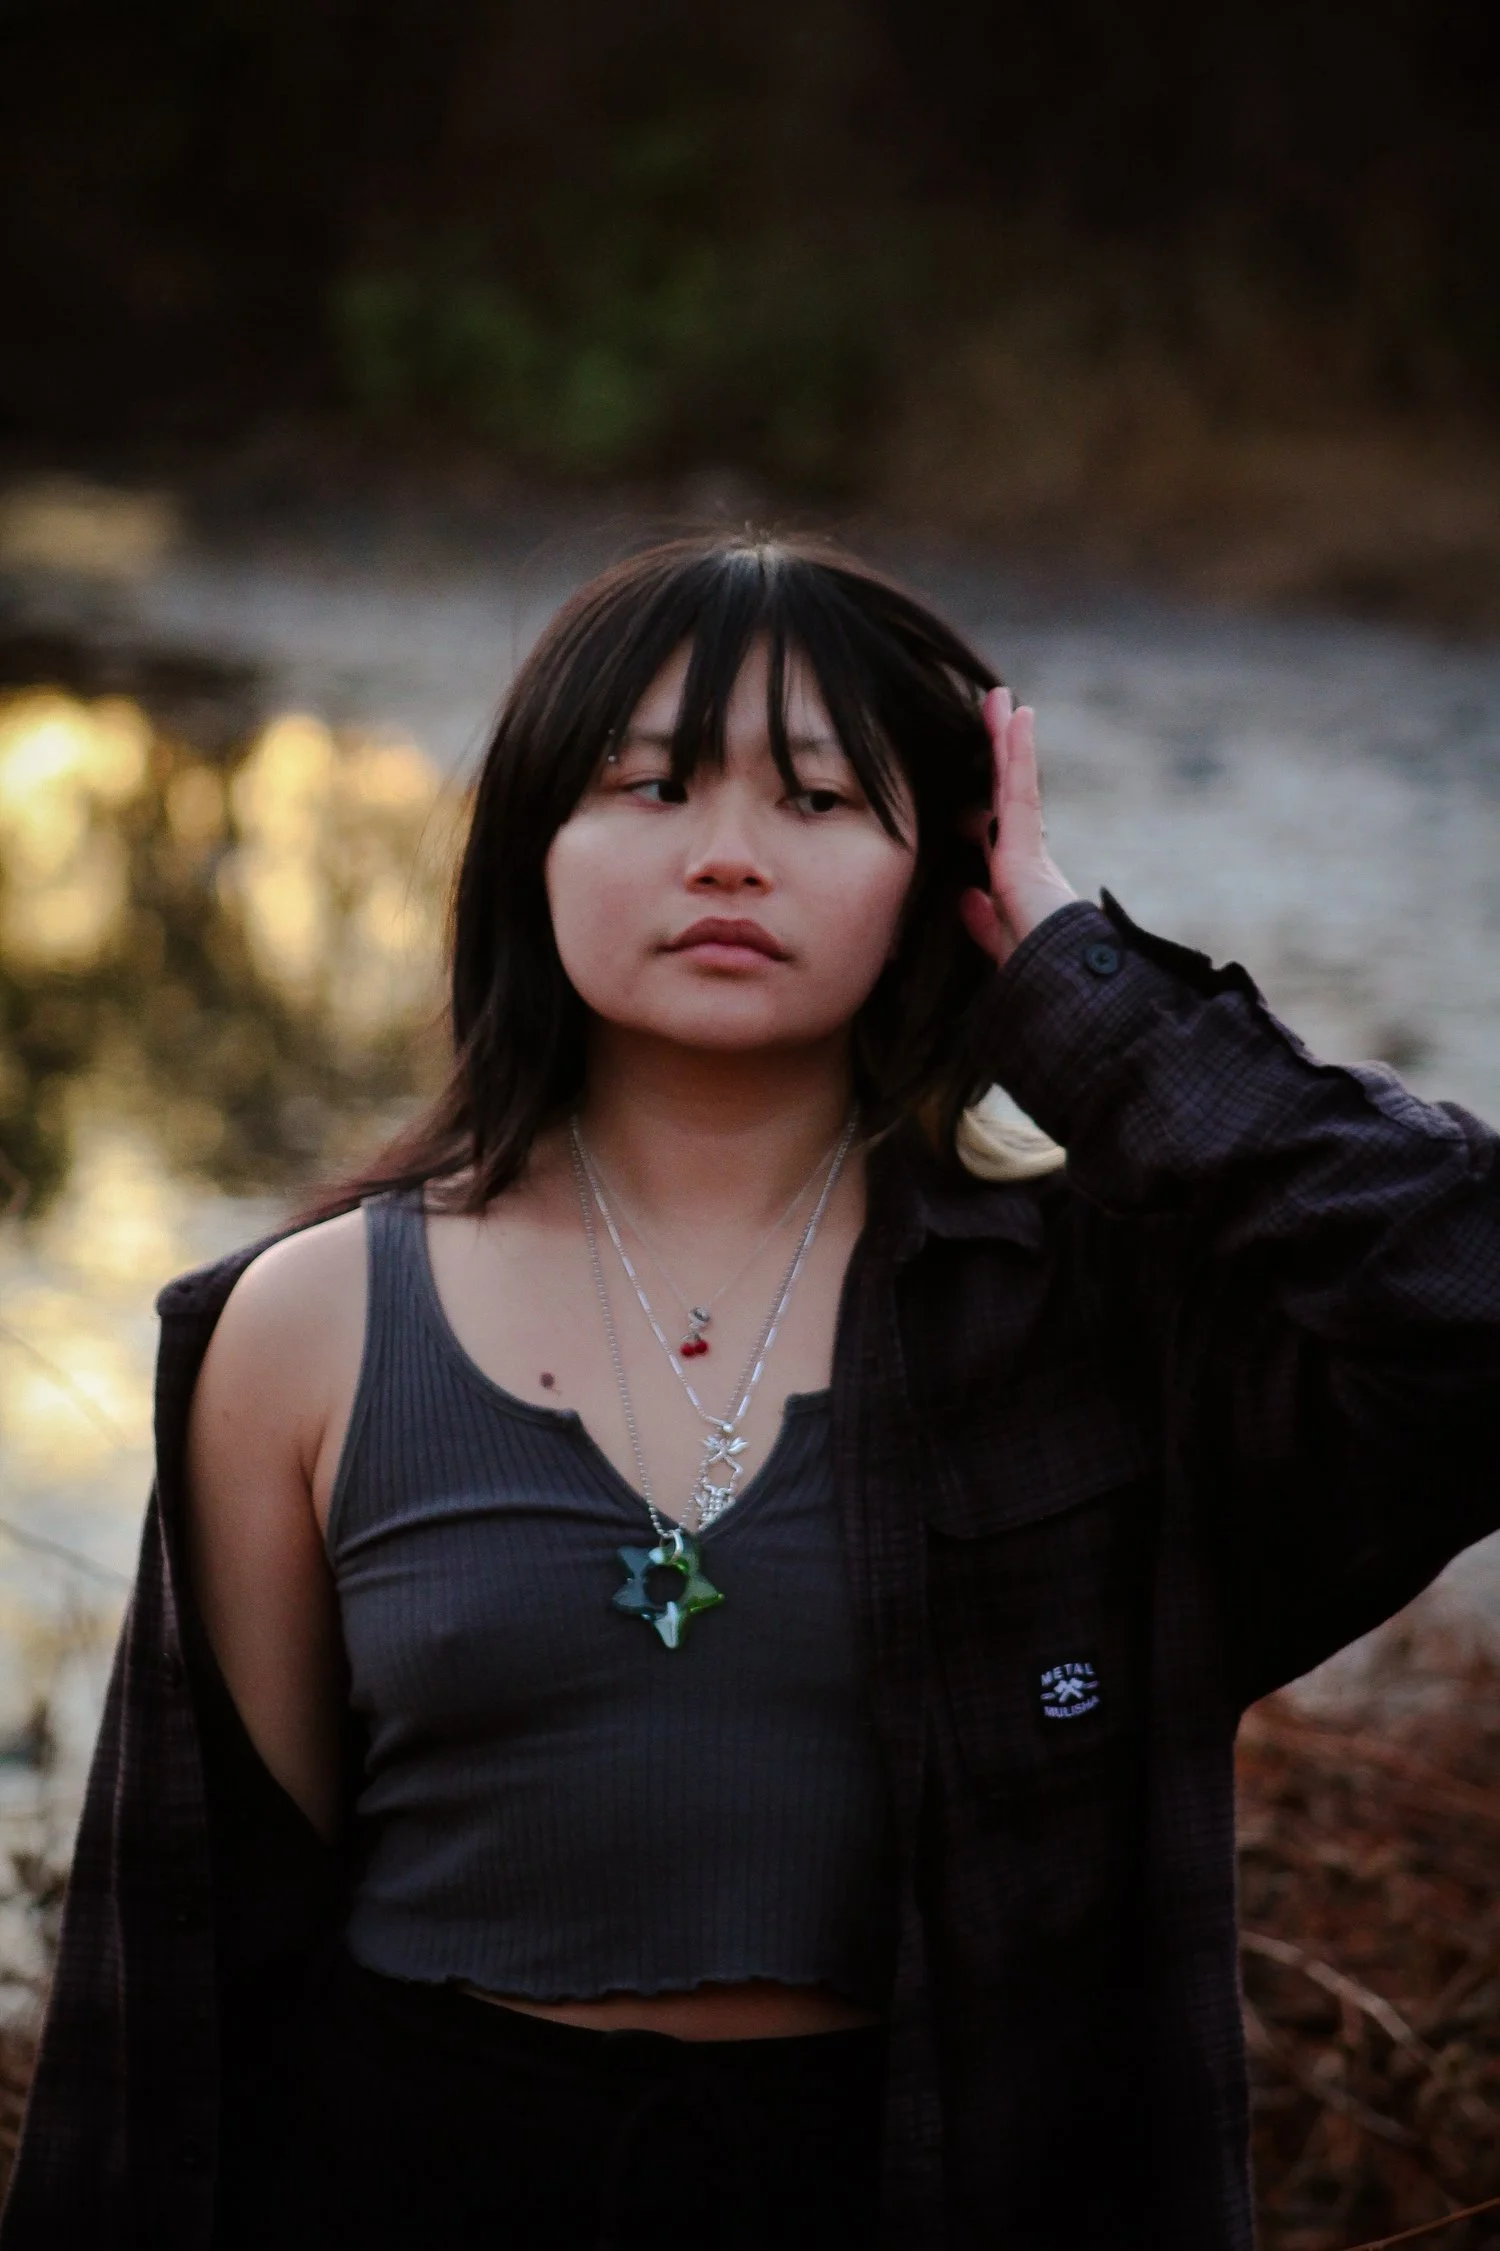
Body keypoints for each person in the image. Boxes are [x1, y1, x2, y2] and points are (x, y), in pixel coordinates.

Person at [3, 533, 1498, 2251]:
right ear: (533, 847)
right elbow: (191, 1981)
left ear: (941, 869)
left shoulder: (1082, 1322)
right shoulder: (311, 1323)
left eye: (818, 799)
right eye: (649, 786)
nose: (726, 853)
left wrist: (1082, 991)